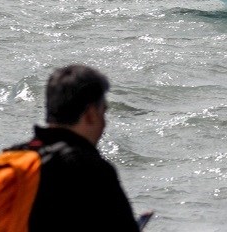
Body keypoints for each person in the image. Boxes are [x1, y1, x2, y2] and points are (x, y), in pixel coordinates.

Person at [17, 64, 144, 231]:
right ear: (91, 114)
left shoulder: (11, 160)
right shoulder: (90, 170)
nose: (104, 123)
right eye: (103, 112)